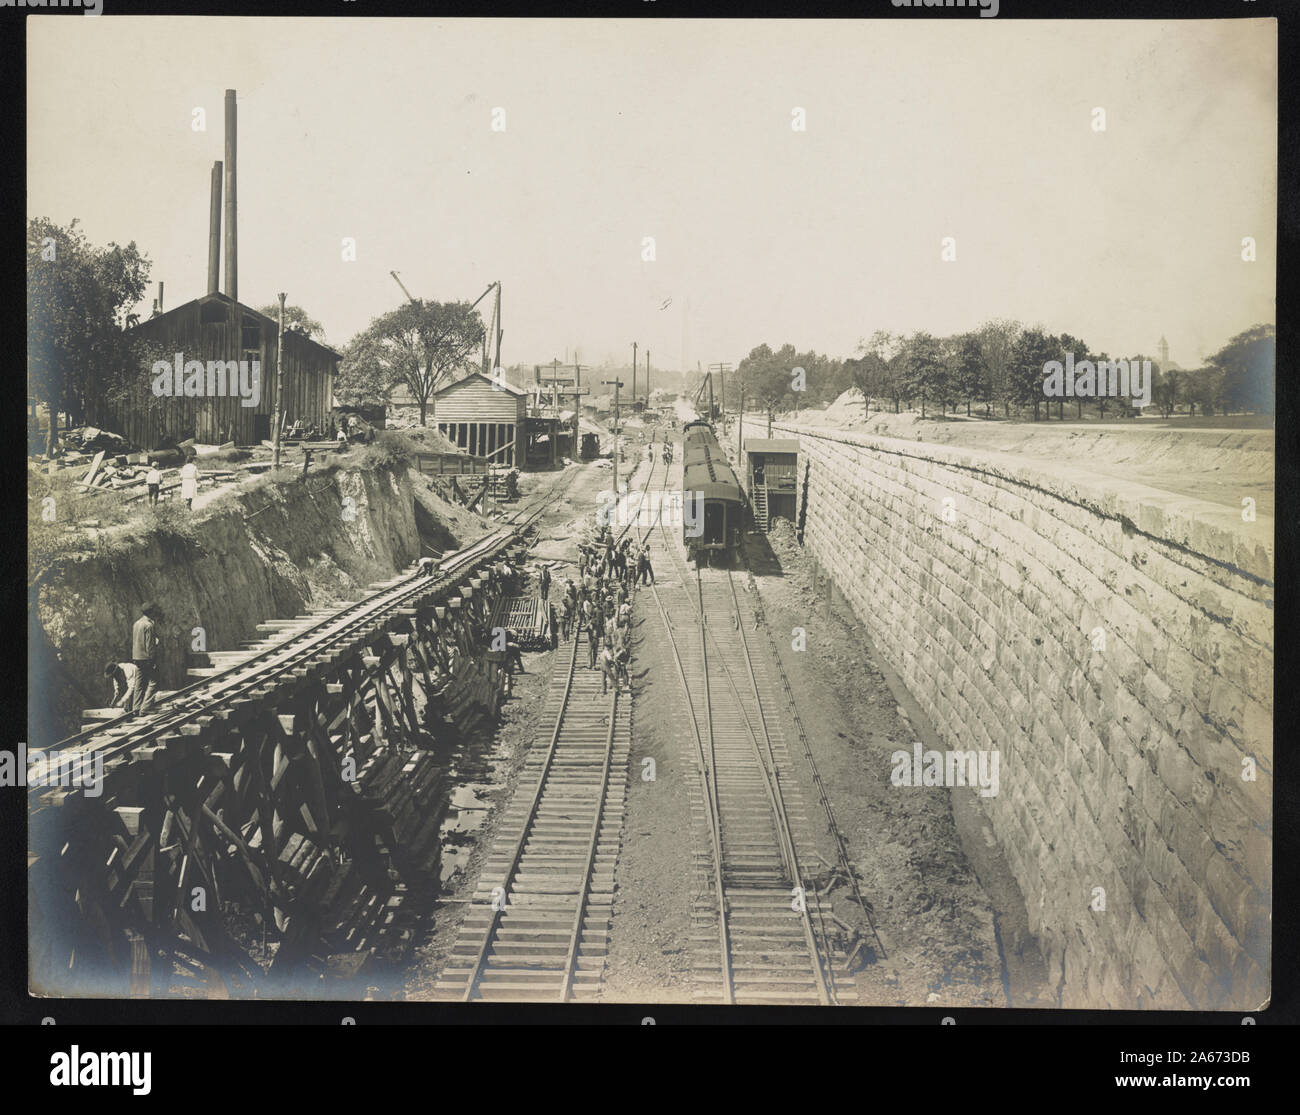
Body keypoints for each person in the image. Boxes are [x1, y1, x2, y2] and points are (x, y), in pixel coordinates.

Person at [130, 602, 161, 713]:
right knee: (153, 682)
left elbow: (136, 642)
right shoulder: (149, 625)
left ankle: (136, 708)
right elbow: (149, 646)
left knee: (139, 683)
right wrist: (153, 660)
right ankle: (145, 708)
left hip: (136, 658)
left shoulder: (136, 623)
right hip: (146, 658)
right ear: (151, 612)